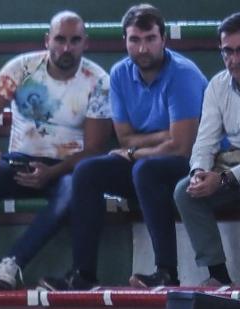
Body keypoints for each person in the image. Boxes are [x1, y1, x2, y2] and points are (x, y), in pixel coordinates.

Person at [44, 4, 207, 290]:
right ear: (125, 41)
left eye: (150, 39)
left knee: (146, 170)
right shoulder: (119, 74)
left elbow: (183, 146)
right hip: (147, 164)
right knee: (87, 170)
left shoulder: (183, 74)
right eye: (135, 40)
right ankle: (83, 274)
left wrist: (136, 151)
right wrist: (160, 137)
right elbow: (124, 138)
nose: (142, 49)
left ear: (163, 39)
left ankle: (166, 271)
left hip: (192, 166)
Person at [0, 12, 111, 290]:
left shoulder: (99, 81)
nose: (66, 48)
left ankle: (12, 264)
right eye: (60, 39)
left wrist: (52, 172)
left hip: (66, 168)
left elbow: (95, 148)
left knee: (73, 189)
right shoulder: (22, 68)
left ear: (86, 43)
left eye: (74, 41)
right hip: (19, 160)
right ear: (47, 40)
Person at [172, 12, 240, 288]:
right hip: (231, 162)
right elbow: (205, 141)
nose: (234, 60)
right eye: (228, 52)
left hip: (233, 170)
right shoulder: (218, 85)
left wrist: (223, 178)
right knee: (186, 191)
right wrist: (200, 172)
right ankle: (218, 275)